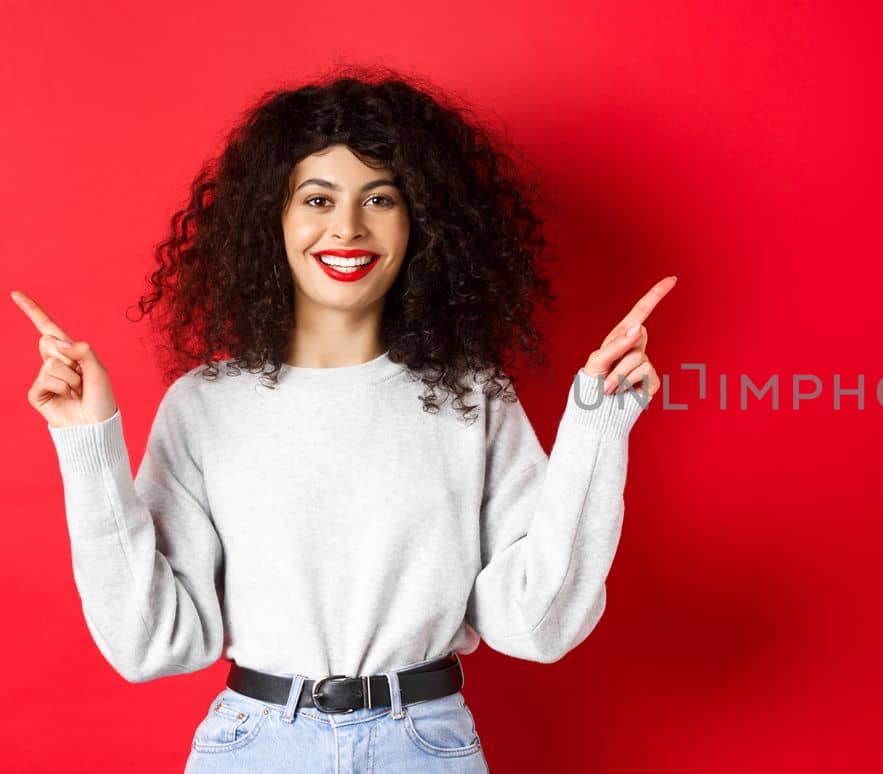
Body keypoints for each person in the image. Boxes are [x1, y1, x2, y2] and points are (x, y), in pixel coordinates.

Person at [13, 68, 675, 772]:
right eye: (318, 198)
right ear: (273, 218)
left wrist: (598, 422)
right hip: (255, 746)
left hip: (426, 746)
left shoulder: (471, 396)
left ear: (421, 221)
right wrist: (87, 444)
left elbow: (537, 625)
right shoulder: (204, 405)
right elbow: (150, 643)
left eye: (380, 198)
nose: (348, 227)